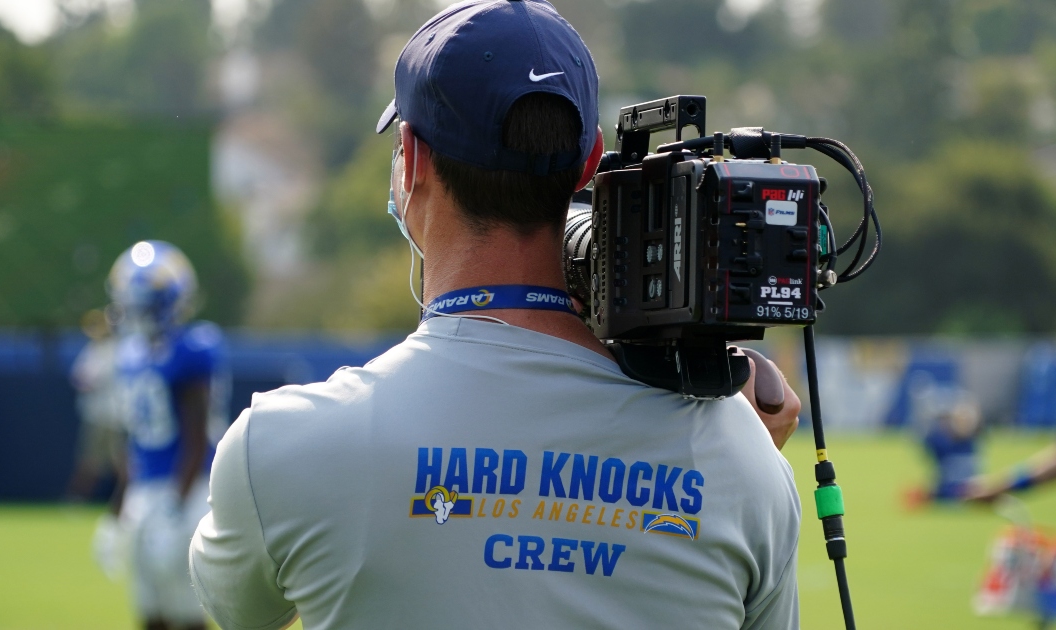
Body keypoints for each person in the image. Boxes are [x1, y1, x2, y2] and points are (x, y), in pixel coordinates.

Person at [190, 2, 802, 628]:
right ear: (590, 163)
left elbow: (239, 610)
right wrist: (740, 452)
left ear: (412, 158)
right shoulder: (745, 465)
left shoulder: (278, 447)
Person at [107, 241, 229, 630]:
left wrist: (175, 510)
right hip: (146, 494)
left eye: (144, 301)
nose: (135, 310)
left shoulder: (191, 348)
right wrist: (115, 513)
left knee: (188, 613)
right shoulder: (130, 355)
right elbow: (133, 443)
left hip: (186, 492)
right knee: (151, 610)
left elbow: (196, 437)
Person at [65, 308, 126, 502]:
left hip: (115, 416)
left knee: (117, 462)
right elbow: (79, 377)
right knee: (92, 460)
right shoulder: (96, 348)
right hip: (97, 415)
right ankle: (77, 498)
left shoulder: (123, 349)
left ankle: (125, 500)